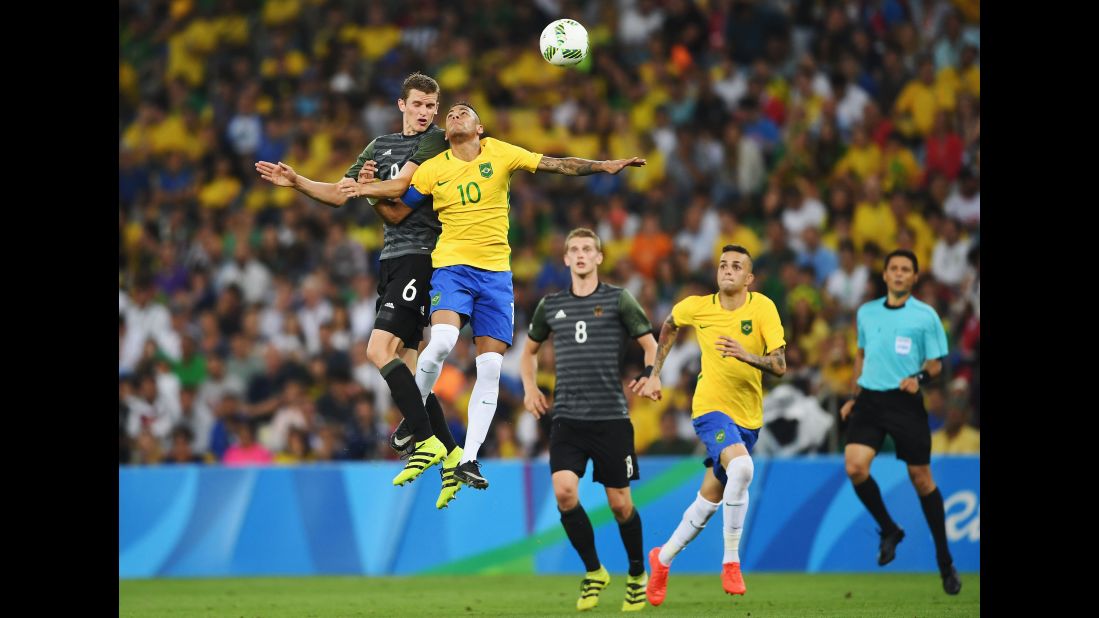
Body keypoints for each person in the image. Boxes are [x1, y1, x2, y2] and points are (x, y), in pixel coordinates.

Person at [340, 102, 645, 493]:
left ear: (479, 127)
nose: (453, 115)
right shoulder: (434, 169)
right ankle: (415, 416)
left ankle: (466, 458)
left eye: (462, 112)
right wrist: (365, 191)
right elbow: (398, 212)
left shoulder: (501, 152)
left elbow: (558, 164)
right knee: (445, 341)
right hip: (451, 268)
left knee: (490, 369)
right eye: (448, 114)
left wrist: (602, 166)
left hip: (496, 277)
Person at [255, 72, 462, 504]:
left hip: (422, 256)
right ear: (401, 105)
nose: (426, 113)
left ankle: (427, 442)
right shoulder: (378, 145)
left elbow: (401, 191)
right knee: (406, 363)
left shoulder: (435, 143)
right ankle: (454, 455)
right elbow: (337, 192)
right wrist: (298, 182)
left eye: (431, 106)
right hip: (390, 260)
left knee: (376, 350)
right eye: (418, 105)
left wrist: (364, 189)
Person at [639, 245, 786, 605]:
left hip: (748, 417)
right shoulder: (697, 306)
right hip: (710, 410)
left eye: (737, 266)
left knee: (710, 499)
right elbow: (670, 324)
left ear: (749, 278)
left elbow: (780, 364)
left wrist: (745, 354)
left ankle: (663, 558)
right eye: (723, 264)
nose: (728, 270)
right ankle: (732, 561)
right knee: (743, 467)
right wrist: (654, 374)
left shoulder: (763, 307)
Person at [520, 228, 658, 612]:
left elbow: (650, 345)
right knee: (565, 492)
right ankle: (594, 570)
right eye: (574, 250)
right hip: (566, 417)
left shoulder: (619, 300)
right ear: (565, 259)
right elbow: (528, 353)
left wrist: (652, 374)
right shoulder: (550, 306)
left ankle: (636, 574)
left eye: (587, 250)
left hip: (611, 417)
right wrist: (530, 388)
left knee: (620, 505)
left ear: (599, 258)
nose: (581, 255)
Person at [839, 249, 962, 595]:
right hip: (870, 400)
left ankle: (945, 561)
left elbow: (937, 363)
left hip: (905, 401)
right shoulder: (866, 312)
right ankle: (889, 529)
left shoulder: (925, 316)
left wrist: (919, 377)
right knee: (855, 467)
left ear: (914, 277)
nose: (898, 274)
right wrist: (852, 397)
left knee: (921, 479)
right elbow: (861, 357)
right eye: (893, 268)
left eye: (905, 269)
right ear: (885, 274)